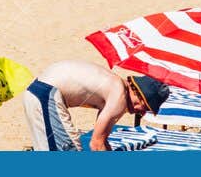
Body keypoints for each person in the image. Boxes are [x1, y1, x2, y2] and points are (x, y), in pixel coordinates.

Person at [25, 61, 168, 151]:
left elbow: (101, 139)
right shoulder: (120, 96)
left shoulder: (114, 85)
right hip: (46, 94)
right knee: (69, 149)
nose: (141, 113)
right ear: (138, 93)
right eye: (144, 107)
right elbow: (96, 144)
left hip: (37, 91)